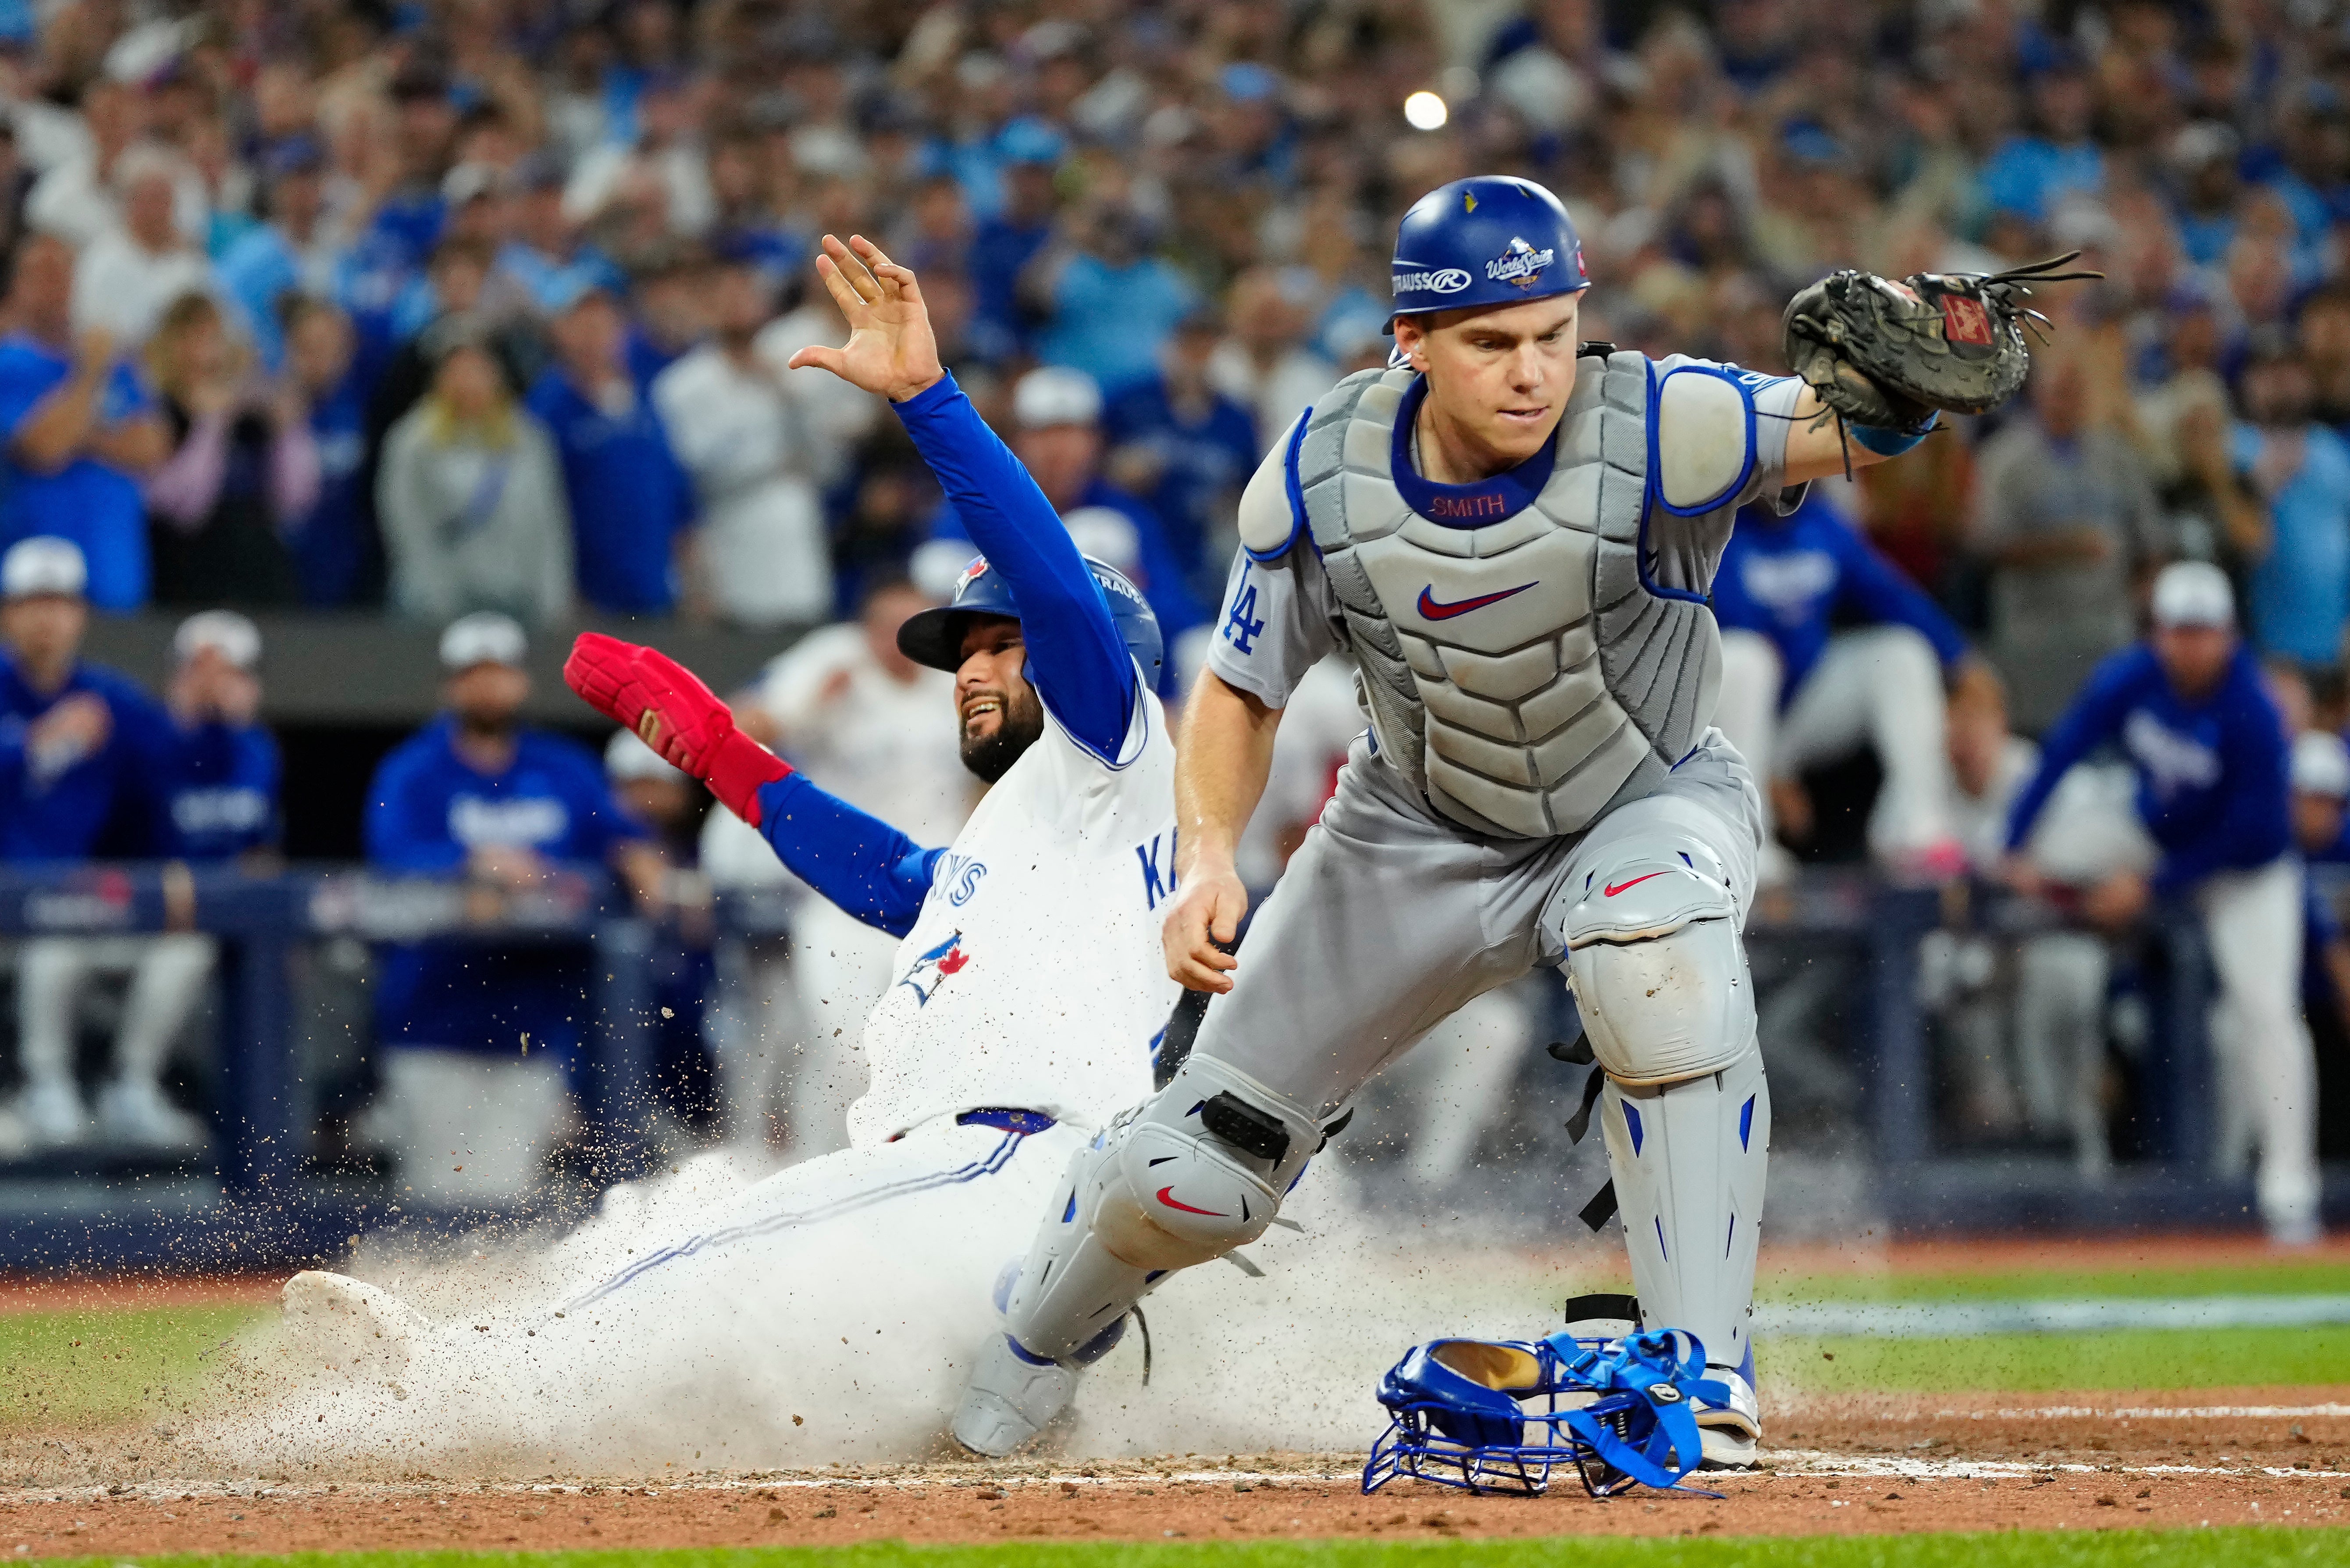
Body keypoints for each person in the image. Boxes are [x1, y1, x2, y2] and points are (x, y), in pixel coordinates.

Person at [967, 175, 1986, 1464]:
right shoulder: (1324, 471)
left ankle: (1698, 1379)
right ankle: (1011, 1366)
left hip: (1643, 795)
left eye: (1553, 332)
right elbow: (1236, 691)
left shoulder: (1659, 418)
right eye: (1492, 340)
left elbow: (1838, 429)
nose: (1532, 370)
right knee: (1200, 1165)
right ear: (1411, 341)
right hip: (1409, 828)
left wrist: (1906, 372)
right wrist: (1209, 855)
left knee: (1653, 952)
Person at [287, 232, 1177, 1454]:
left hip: (1019, 1157)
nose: (971, 668)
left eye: (998, 643)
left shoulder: (1112, 745)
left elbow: (1060, 589)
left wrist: (930, 400)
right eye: (963, 650)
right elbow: (896, 880)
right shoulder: (1045, 831)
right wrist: (722, 756)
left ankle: (457, 1385)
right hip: (1002, 1184)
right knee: (737, 1275)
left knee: (713, 1238)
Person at [2003, 562, 2319, 1244]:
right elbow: (2065, 749)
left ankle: (2289, 1192)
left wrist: (2150, 888)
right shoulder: (2132, 677)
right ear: (2159, 633)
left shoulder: (2253, 709)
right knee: (2051, 847)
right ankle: (2090, 921)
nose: (2192, 644)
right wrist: (2014, 840)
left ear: (2229, 636)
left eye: (2204, 631)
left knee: (2266, 1011)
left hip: (2242, 872)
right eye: (2180, 630)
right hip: (2154, 834)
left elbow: (2258, 832)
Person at [361, 613, 656, 1202]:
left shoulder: (561, 768)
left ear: (522, 681)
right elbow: (390, 859)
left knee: (509, 1203)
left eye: (499, 673)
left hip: (532, 1026)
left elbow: (620, 837)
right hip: (434, 1022)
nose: (489, 687)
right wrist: (471, 861)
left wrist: (638, 853)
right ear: (451, 686)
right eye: (474, 674)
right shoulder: (413, 772)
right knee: (439, 1204)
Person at [698, 575, 968, 1157]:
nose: (899, 640)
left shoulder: (954, 674)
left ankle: (914, 1170)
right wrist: (806, 707)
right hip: (843, 891)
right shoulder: (832, 660)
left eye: (912, 625)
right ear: (864, 628)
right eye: (886, 627)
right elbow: (738, 730)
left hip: (934, 891)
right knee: (843, 1047)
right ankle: (815, 1170)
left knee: (936, 1045)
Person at [0, 538, 190, 1150]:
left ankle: (131, 1087)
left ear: (80, 615)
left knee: (185, 944)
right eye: (32, 603)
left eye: (60, 603)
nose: (47, 618)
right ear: (7, 615)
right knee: (54, 940)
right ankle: (43, 1084)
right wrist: (32, 744)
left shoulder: (110, 698)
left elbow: (173, 775)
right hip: (8, 901)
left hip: (74, 903)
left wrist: (202, 723)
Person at [1710, 486, 1997, 881]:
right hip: (1725, 725)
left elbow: (1890, 594)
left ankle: (1917, 828)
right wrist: (1770, 774)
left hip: (1798, 711)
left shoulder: (1820, 521)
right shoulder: (1713, 525)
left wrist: (1962, 661)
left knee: (1901, 653)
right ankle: (1744, 839)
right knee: (1747, 657)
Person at [933, 366, 1204, 695]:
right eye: (1043, 433)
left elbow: (1178, 610)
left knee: (1200, 647)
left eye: (1071, 433)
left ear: (1096, 441)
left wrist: (1124, 597)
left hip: (1107, 667)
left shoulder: (1125, 514)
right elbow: (938, 590)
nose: (1058, 449)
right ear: (1015, 441)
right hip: (1006, 659)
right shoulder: (977, 507)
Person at [650, 254, 832, 626]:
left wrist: (786, 395)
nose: (739, 307)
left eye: (748, 295)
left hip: (799, 545)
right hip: (734, 543)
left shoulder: (790, 370)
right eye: (728, 297)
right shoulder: (682, 385)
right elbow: (695, 473)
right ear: (706, 307)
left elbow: (827, 461)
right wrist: (773, 463)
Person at [0, 234, 169, 609]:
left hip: (117, 568)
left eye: (64, 273)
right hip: (37, 578)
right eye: (41, 274)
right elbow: (44, 449)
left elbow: (152, 447)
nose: (56, 285)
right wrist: (90, 374)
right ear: (17, 286)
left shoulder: (117, 363)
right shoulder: (10, 364)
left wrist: (80, 435)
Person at [376, 325, 573, 626]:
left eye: (477, 368)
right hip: (437, 608)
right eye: (456, 370)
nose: (467, 381)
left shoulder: (527, 440)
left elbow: (548, 523)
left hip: (517, 601)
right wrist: (433, 600)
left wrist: (552, 599)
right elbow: (405, 523)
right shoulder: (413, 443)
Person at [525, 280, 697, 616]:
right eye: (583, 323)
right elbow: (540, 507)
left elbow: (674, 491)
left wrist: (694, 577)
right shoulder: (547, 407)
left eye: (604, 323)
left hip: (657, 588)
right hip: (589, 596)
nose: (594, 335)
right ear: (561, 332)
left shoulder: (644, 398)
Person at [141, 292, 318, 607]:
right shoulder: (160, 412)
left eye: (213, 339)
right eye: (192, 340)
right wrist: (210, 426)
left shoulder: (252, 418)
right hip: (188, 576)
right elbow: (183, 511)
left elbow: (296, 501)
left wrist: (288, 431)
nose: (205, 354)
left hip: (260, 575)